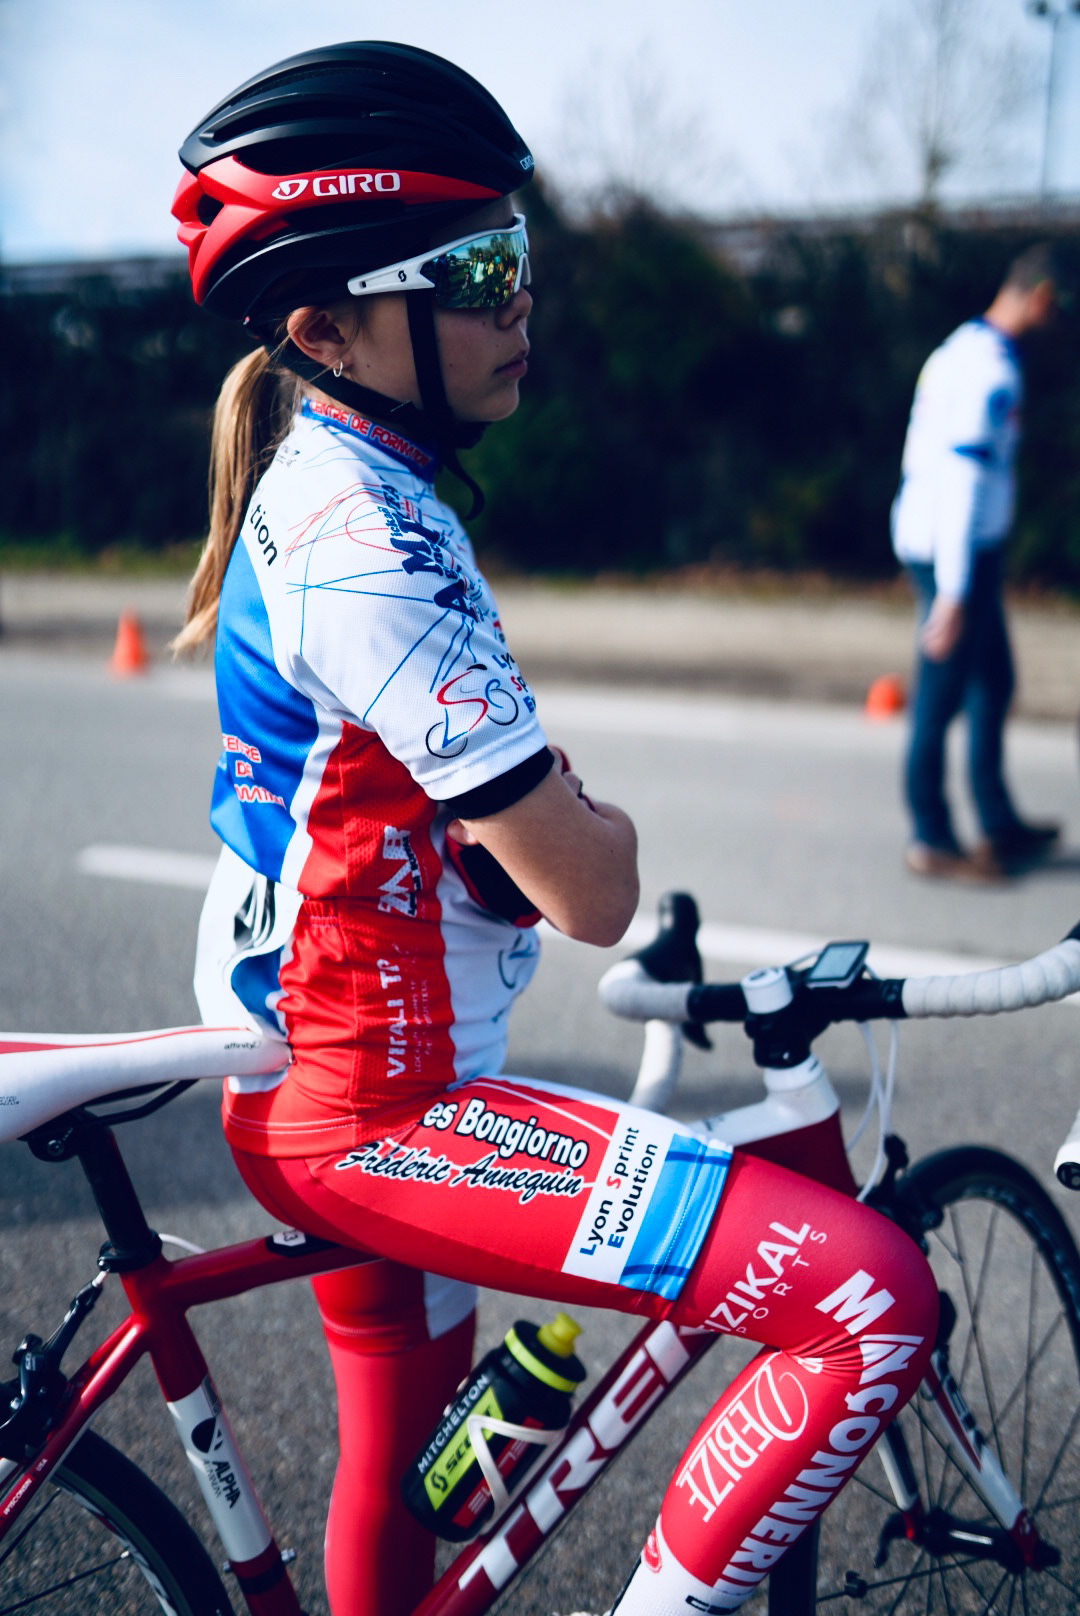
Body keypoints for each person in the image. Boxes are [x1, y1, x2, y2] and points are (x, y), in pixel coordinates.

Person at [173, 42, 938, 1616]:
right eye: (470, 273)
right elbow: (592, 892)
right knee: (872, 1294)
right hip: (379, 1111)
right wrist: (592, 821)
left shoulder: (341, 476)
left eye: (515, 254)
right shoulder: (370, 541)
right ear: (324, 330)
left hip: (308, 1068)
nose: (519, 300)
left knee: (402, 1470)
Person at [891, 242, 1072, 882]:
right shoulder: (990, 372)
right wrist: (955, 590)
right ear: (1041, 297)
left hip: (945, 543)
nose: (1060, 324)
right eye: (1061, 310)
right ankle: (932, 838)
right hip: (955, 551)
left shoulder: (960, 347)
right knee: (941, 695)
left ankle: (999, 825)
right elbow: (963, 479)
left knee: (992, 682)